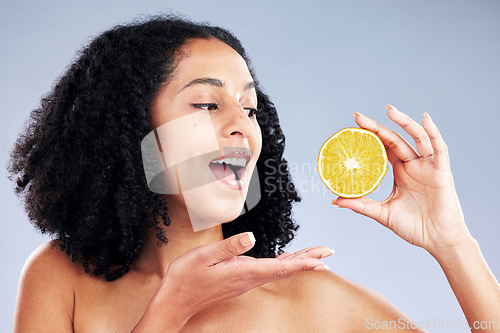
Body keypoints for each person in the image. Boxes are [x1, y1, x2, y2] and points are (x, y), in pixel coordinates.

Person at [8, 15, 500, 332]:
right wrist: (168, 311)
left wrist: (452, 242)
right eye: (206, 103)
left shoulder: (312, 304)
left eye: (250, 107)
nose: (242, 126)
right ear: (133, 128)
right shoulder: (59, 277)